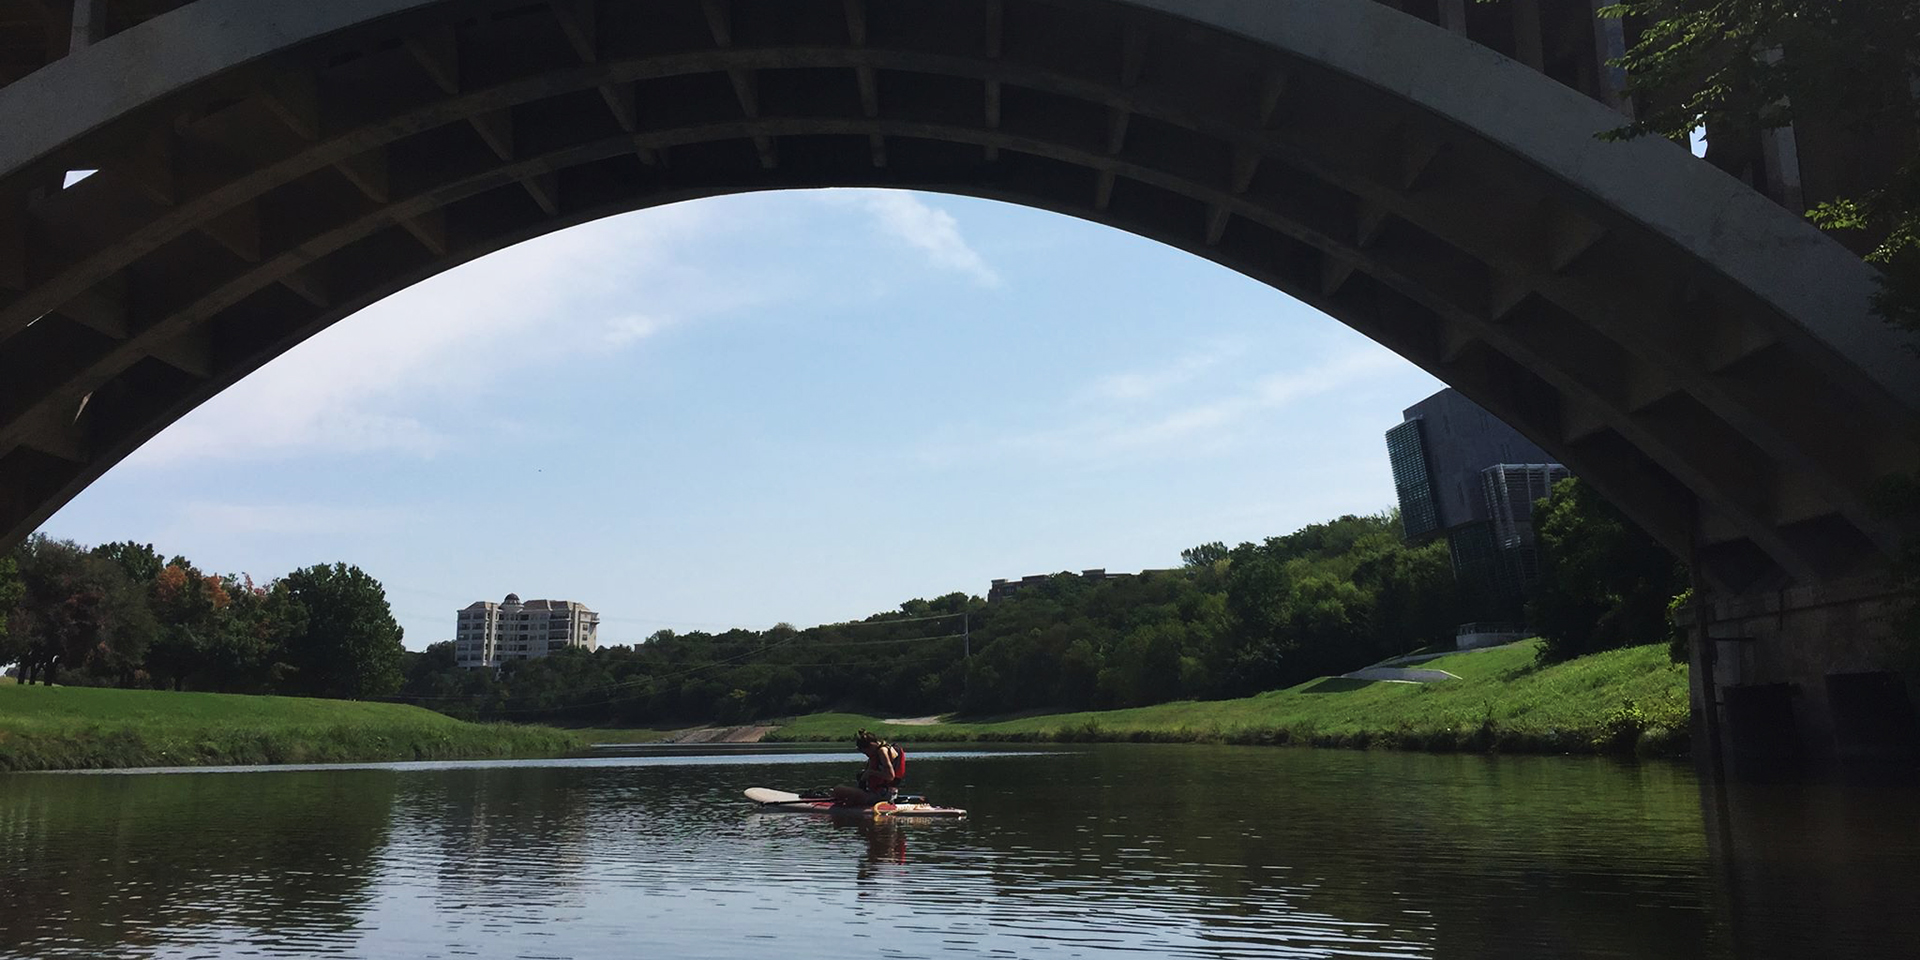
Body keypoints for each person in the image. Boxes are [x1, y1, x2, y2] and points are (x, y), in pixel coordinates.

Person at [832, 729, 905, 807]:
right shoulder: (885, 749)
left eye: (866, 752)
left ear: (871, 745)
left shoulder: (882, 751)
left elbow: (890, 776)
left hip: (881, 795)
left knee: (838, 789)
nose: (867, 755)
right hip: (888, 793)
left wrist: (870, 772)